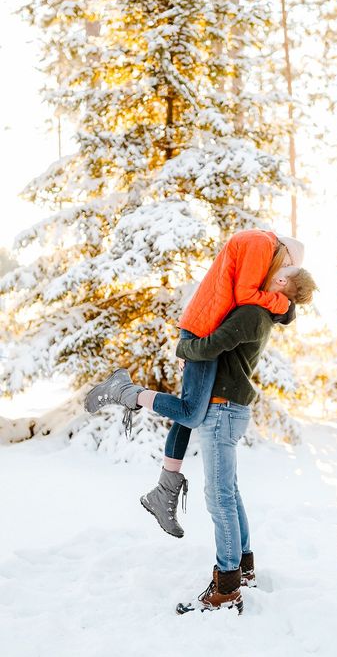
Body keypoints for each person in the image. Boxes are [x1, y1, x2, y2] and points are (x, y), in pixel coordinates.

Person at [84, 230, 304, 538]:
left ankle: (163, 491)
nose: (277, 282)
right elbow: (245, 295)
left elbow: (250, 297)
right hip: (204, 333)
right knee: (190, 412)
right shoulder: (261, 243)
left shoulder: (263, 249)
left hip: (208, 331)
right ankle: (125, 391)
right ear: (285, 258)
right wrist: (283, 306)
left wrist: (284, 308)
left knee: (189, 412)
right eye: (283, 276)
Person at [171, 265, 317, 614]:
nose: (271, 270)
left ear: (282, 283)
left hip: (222, 411)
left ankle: (227, 585)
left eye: (280, 270)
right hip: (229, 409)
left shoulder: (252, 312)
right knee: (229, 493)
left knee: (218, 497)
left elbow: (212, 345)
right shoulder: (261, 312)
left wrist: (184, 351)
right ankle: (244, 567)